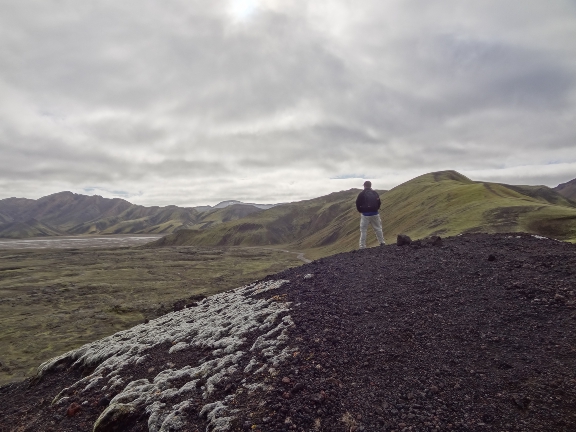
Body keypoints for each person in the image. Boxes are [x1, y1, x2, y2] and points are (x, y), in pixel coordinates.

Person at [355, 180, 385, 249]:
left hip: (365, 214)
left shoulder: (362, 193)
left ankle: (362, 246)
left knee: (363, 230)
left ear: (364, 186)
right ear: (370, 185)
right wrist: (376, 209)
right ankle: (382, 242)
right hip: (375, 213)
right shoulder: (375, 193)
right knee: (378, 229)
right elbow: (379, 202)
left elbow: (357, 203)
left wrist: (361, 210)